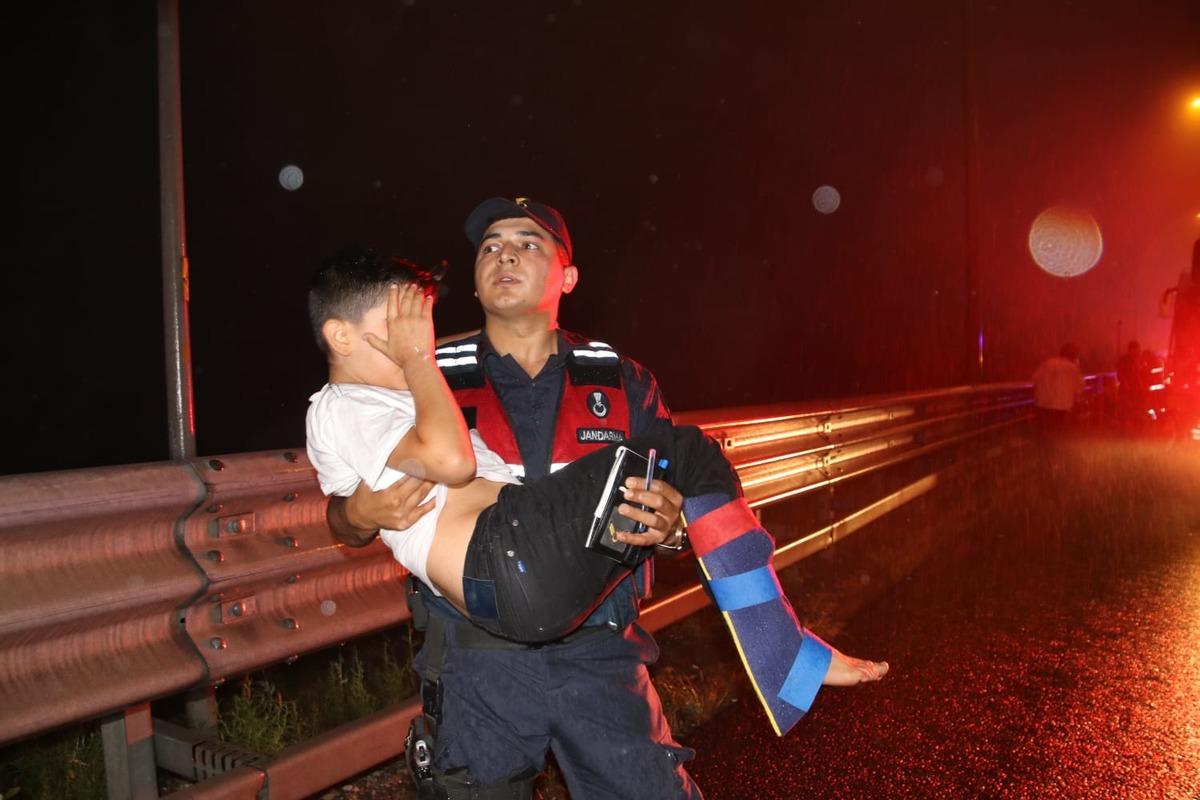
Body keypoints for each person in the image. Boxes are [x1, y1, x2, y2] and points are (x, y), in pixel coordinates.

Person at [323, 199, 885, 799]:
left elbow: (681, 511)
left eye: (529, 242)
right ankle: (784, 648)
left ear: (567, 277)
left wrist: (670, 529)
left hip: (603, 652)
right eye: (490, 245)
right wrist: (356, 514)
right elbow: (339, 500)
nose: (505, 253)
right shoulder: (418, 376)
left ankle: (780, 647)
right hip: (476, 661)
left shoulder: (623, 379)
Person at [1032, 342, 1085, 434]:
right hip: (1062, 406)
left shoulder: (1048, 363)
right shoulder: (1073, 368)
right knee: (1058, 430)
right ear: (1074, 356)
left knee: (1044, 430)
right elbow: (1080, 388)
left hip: (1043, 403)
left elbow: (1035, 379)